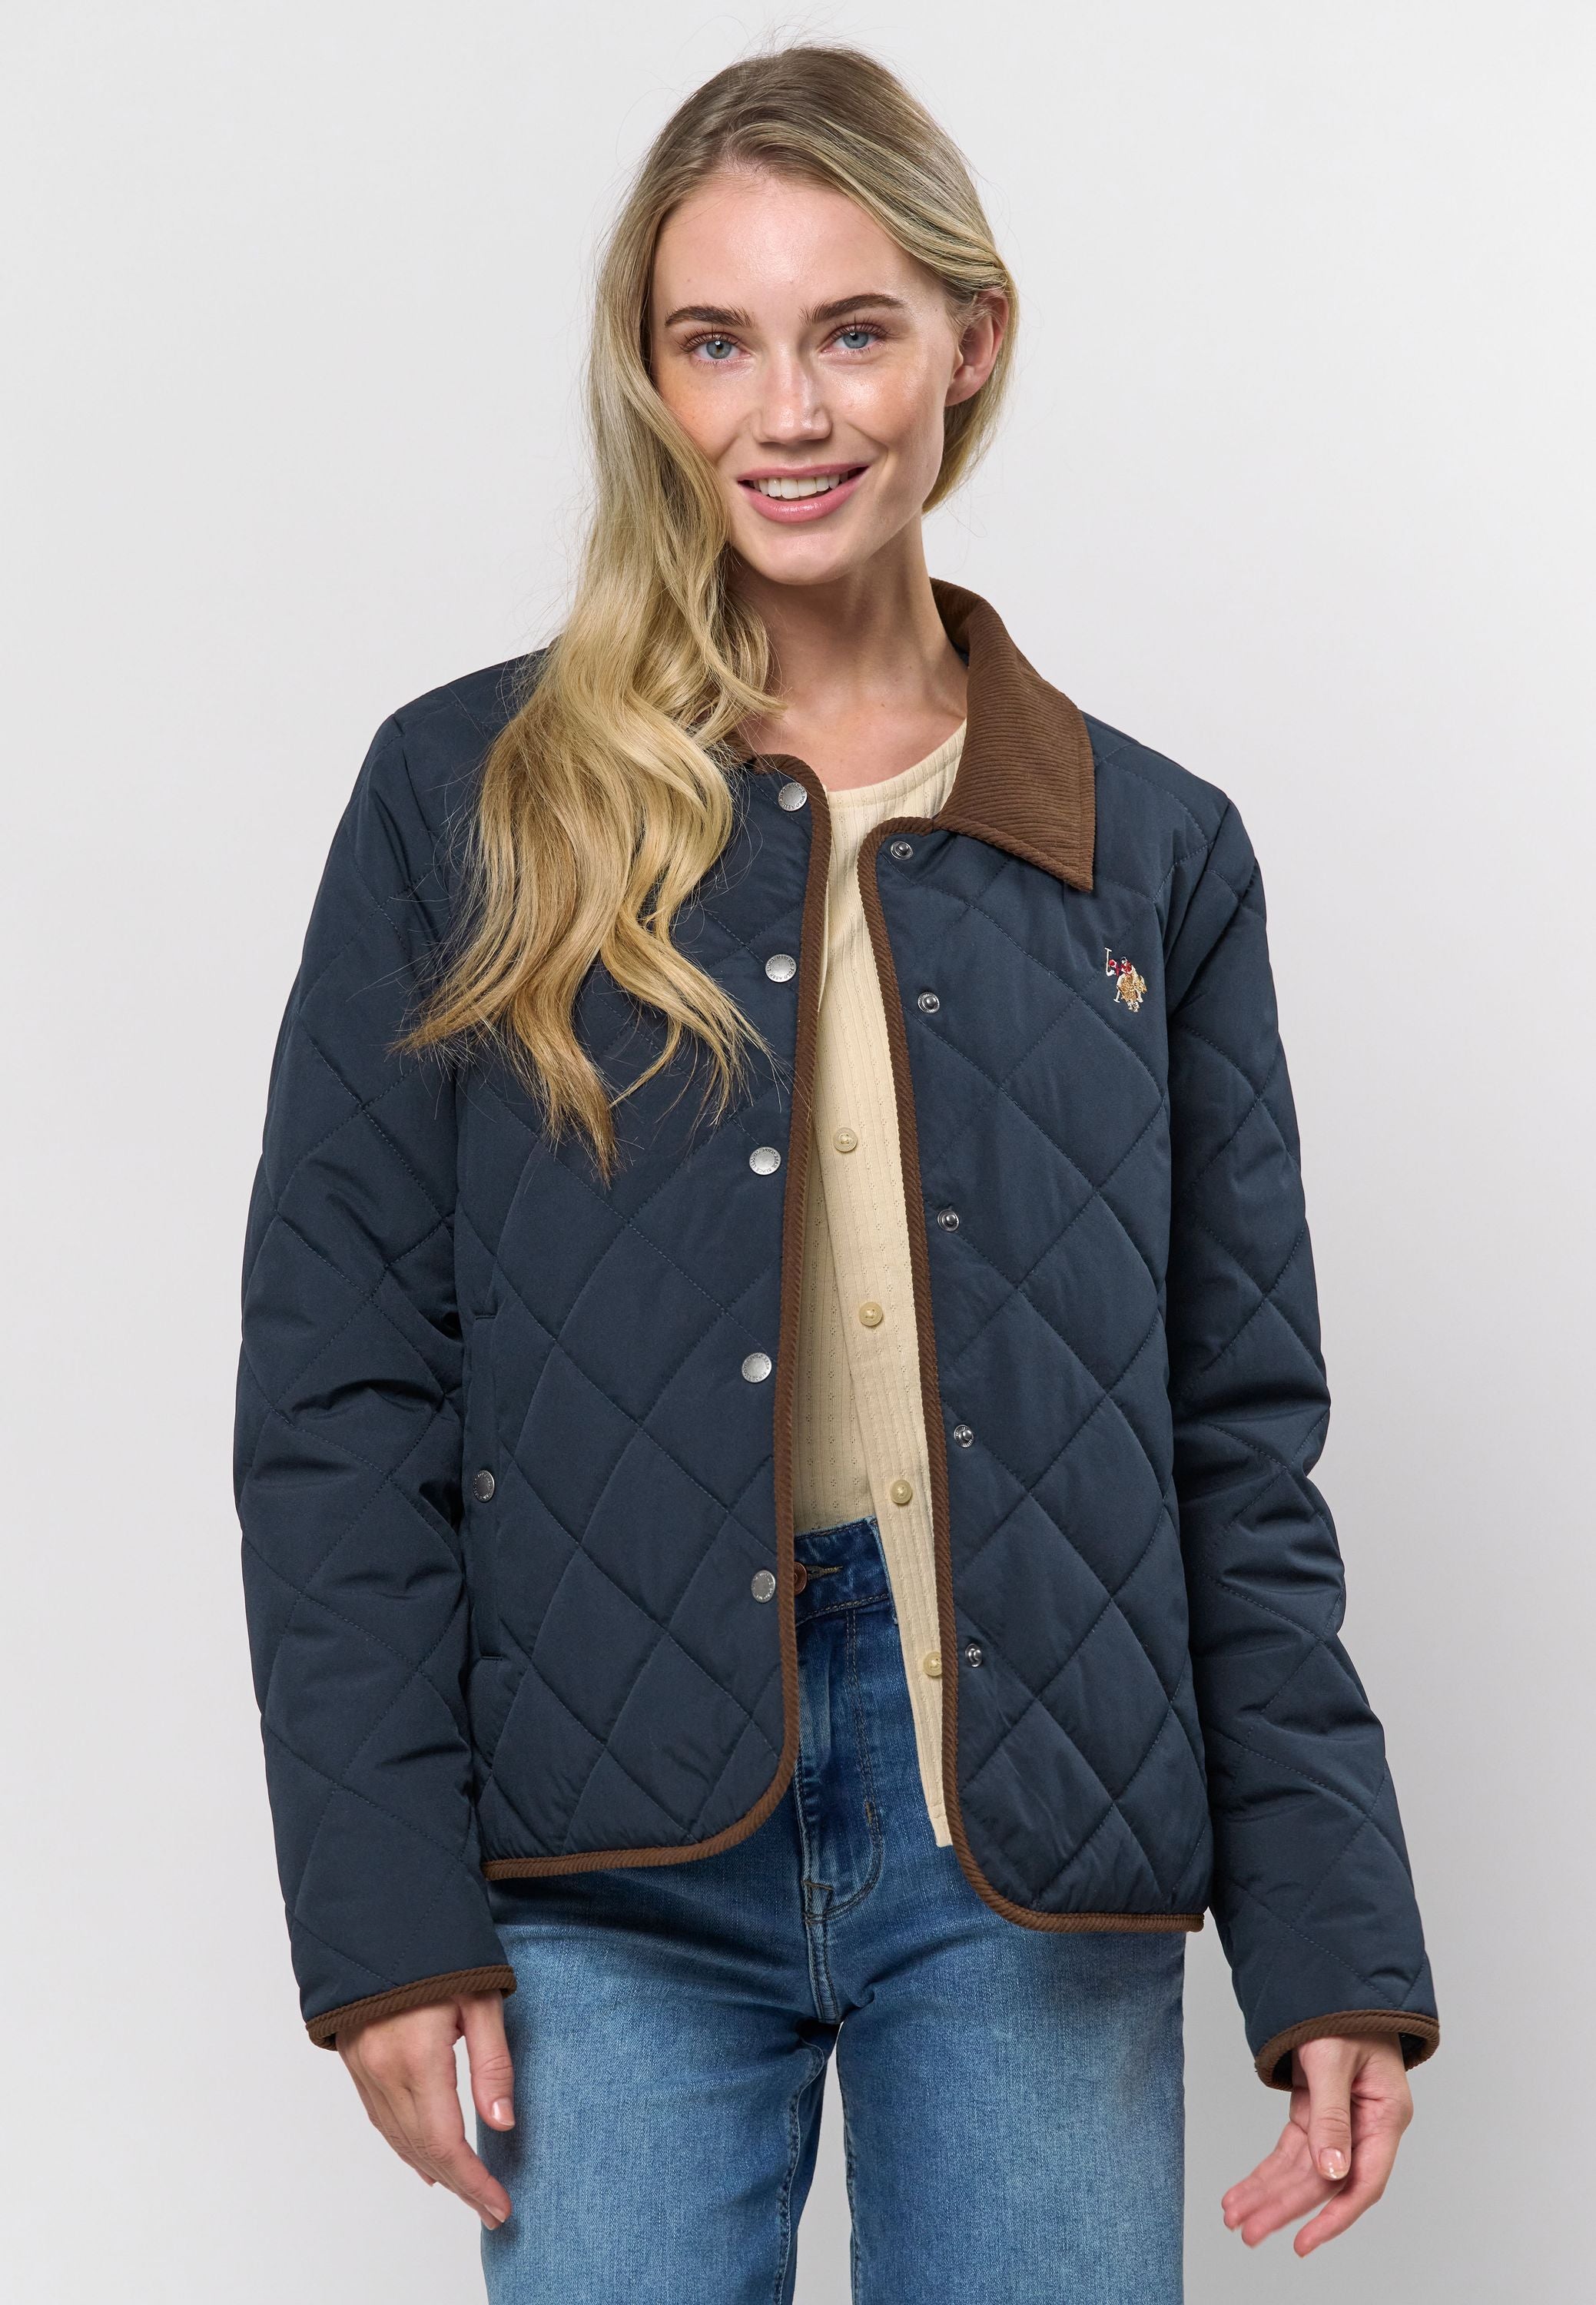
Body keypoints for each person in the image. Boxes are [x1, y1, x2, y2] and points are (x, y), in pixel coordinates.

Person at [234, 42, 1438, 2303]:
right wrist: (385, 1917)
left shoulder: (1147, 852)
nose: (787, 412)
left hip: (1030, 1831)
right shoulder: (474, 800)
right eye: (718, 341)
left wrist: (1331, 1941)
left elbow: (1233, 1443)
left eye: (852, 331)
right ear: (651, 374)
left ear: (971, 339)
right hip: (602, 1850)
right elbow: (341, 1393)